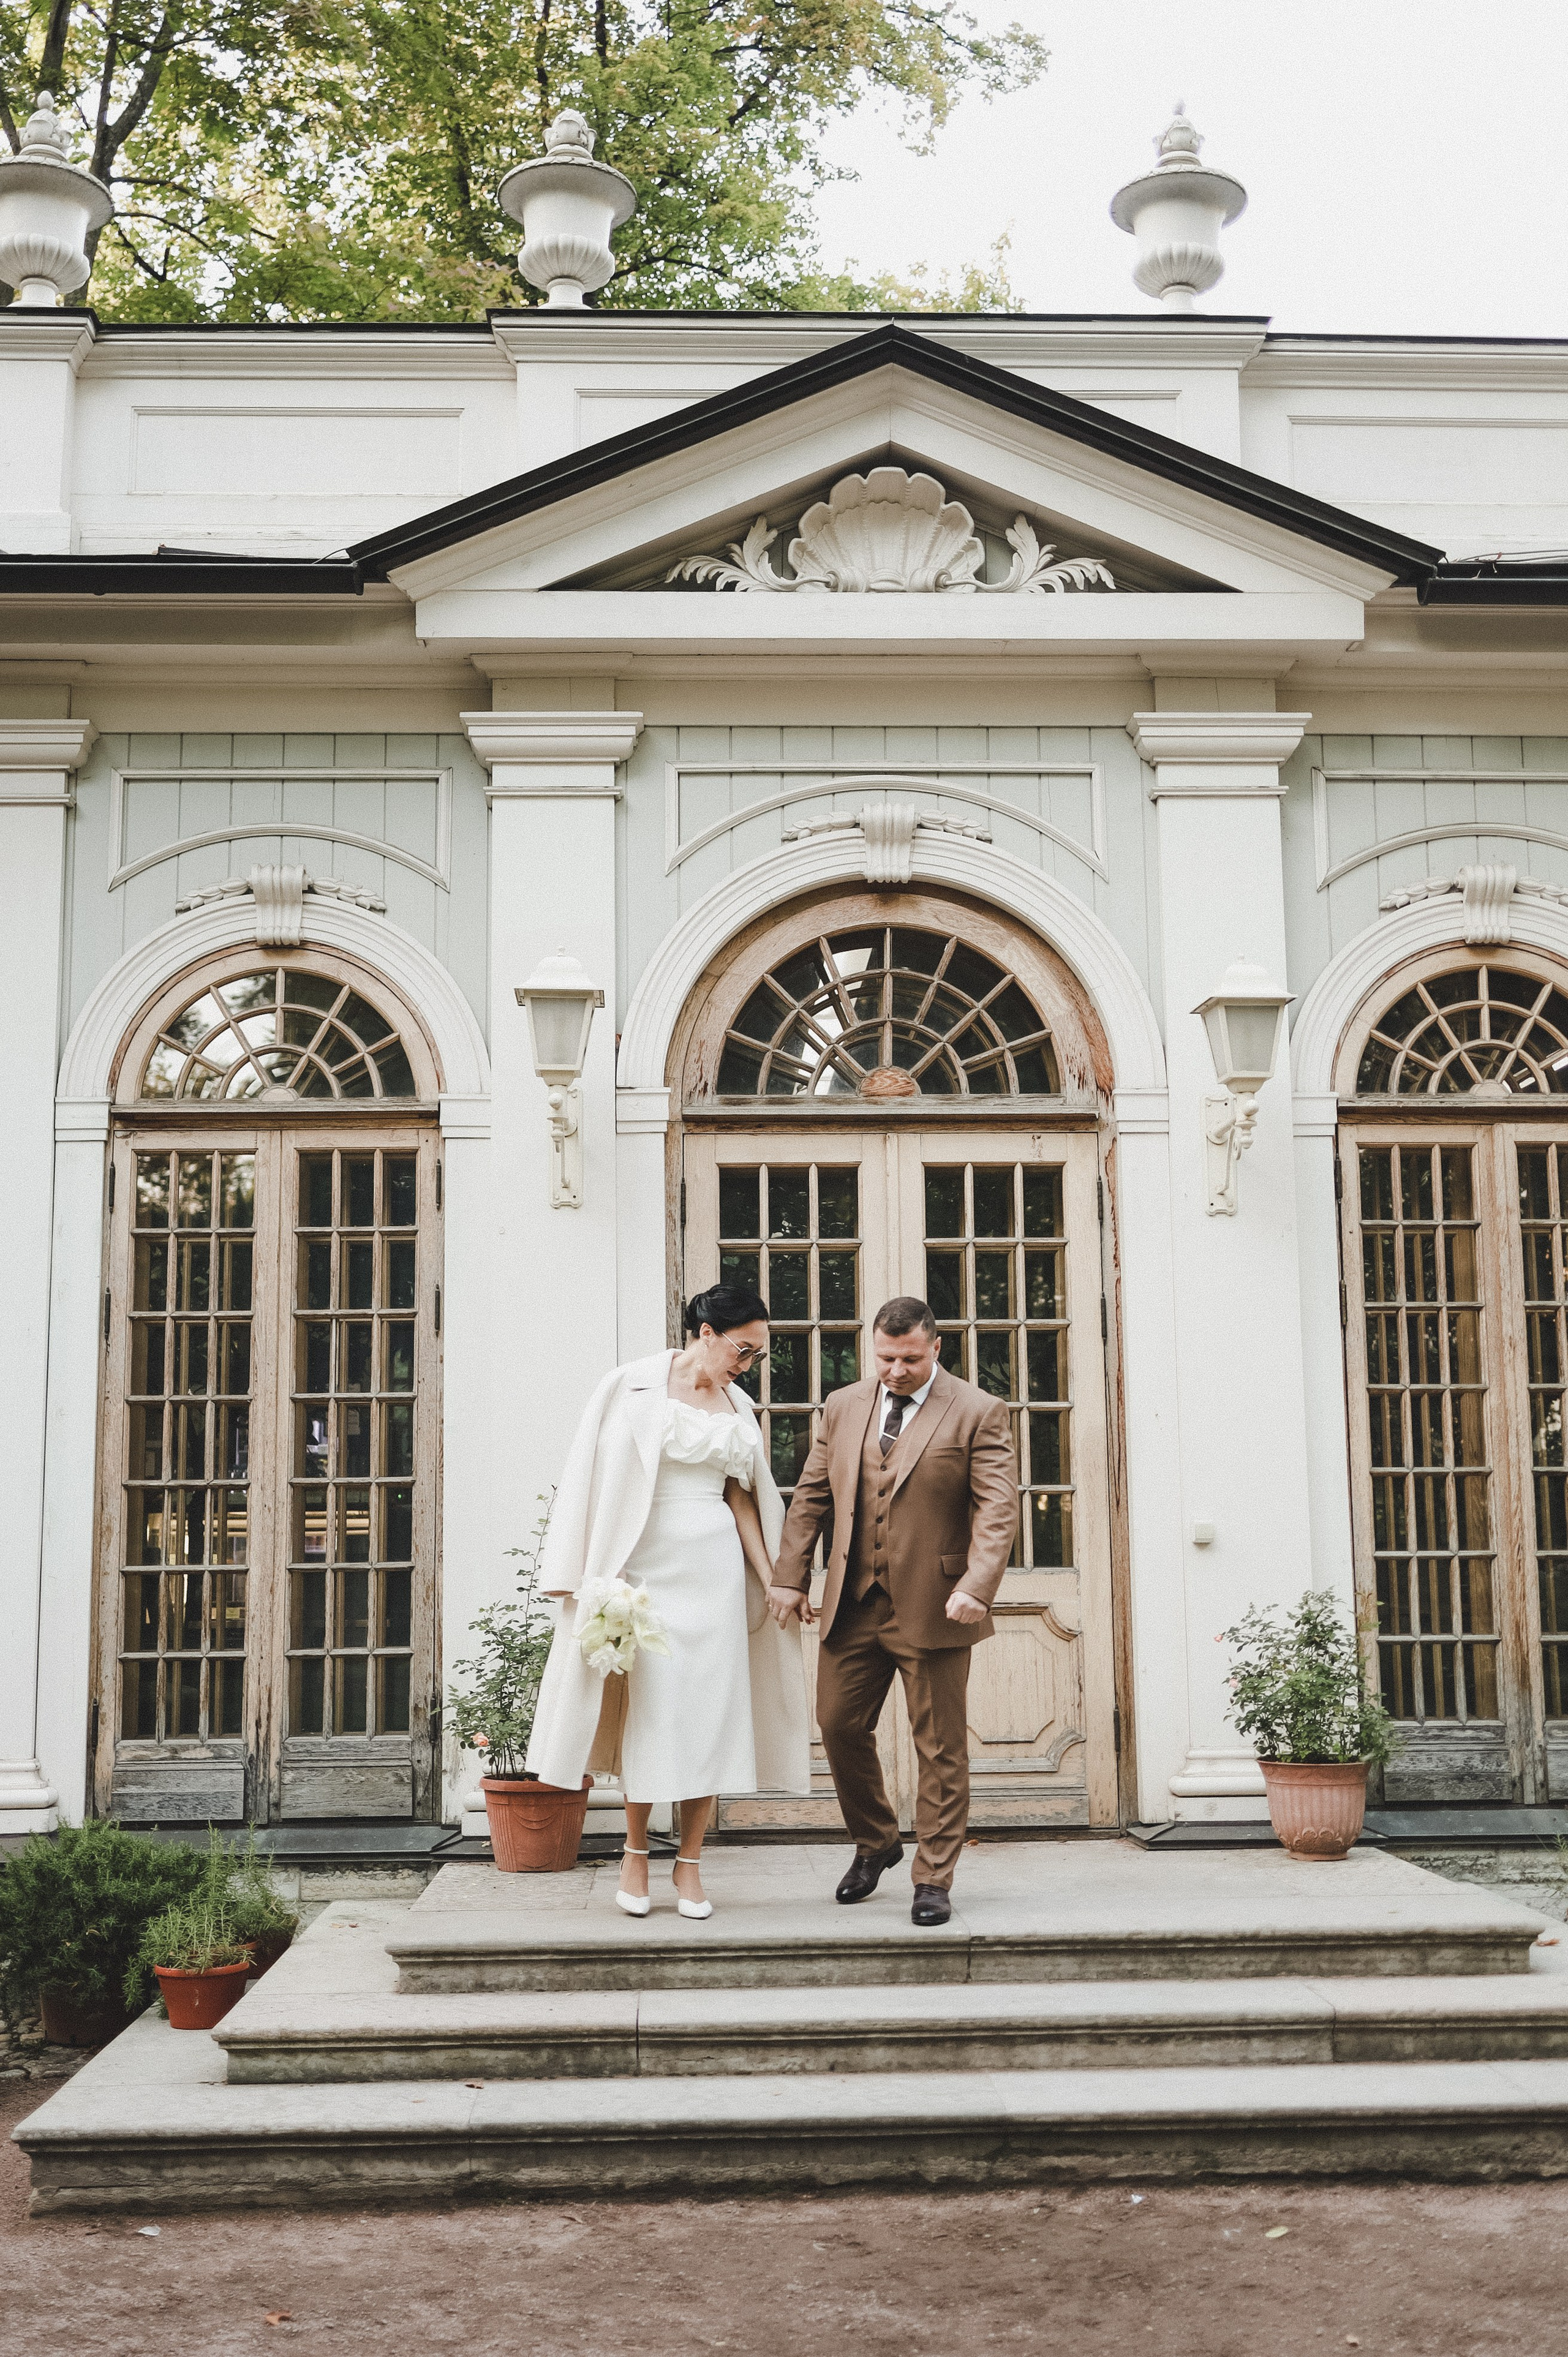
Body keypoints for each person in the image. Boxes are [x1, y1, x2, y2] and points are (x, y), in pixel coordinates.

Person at [526, 1284, 811, 1918]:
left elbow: (742, 1498)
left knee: (710, 1717)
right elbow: (587, 1477)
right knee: (651, 1716)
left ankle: (690, 1864)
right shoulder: (627, 1386)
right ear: (706, 1333)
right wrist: (590, 1573)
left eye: (757, 1355)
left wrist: (772, 1578)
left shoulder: (739, 1405)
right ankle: (634, 1854)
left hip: (714, 1575)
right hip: (643, 1575)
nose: (747, 1364)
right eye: (742, 1350)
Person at [768, 1297, 1018, 1926]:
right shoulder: (842, 1405)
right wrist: (790, 1576)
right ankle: (876, 1839)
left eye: (909, 1359)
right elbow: (812, 1495)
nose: (896, 1371)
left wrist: (977, 1584)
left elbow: (997, 1507)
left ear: (936, 1348)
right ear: (871, 1349)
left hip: (937, 1605)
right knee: (837, 1724)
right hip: (853, 1602)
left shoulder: (977, 1410)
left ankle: (933, 1877)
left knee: (940, 1746)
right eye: (885, 1358)